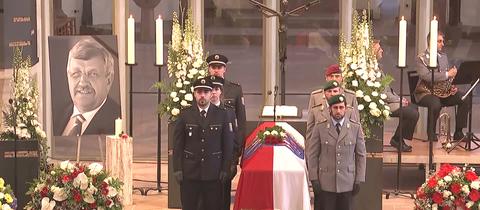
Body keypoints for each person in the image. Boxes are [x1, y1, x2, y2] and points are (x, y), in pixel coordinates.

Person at [173, 78, 234, 210]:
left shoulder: (222, 115)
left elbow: (227, 145)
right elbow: (178, 144)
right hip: (190, 173)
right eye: (199, 92)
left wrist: (225, 168)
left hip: (213, 173)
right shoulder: (185, 115)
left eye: (206, 92)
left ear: (211, 93)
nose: (202, 95)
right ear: (194, 93)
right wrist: (177, 168)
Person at [306, 94, 366, 210]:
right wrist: (314, 178)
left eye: (341, 107)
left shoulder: (355, 128)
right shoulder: (320, 128)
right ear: (330, 109)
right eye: (335, 108)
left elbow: (361, 155)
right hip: (326, 183)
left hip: (347, 182)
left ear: (346, 109)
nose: (338, 111)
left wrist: (359, 178)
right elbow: (312, 154)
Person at [54, 38, 120, 136]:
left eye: (92, 74)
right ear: (68, 76)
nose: (83, 83)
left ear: (108, 80)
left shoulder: (119, 121)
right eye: (76, 74)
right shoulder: (57, 115)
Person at [414, 31, 469, 141]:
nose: (442, 44)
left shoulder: (443, 56)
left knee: (464, 97)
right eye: (439, 41)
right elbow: (427, 76)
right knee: (435, 103)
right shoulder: (421, 58)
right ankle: (431, 133)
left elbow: (445, 78)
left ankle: (458, 132)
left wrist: (450, 87)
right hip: (425, 92)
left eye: (442, 41)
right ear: (431, 42)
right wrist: (448, 74)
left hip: (442, 92)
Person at [373, 40, 419, 152]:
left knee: (413, 107)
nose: (382, 51)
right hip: (382, 104)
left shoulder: (378, 66)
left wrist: (399, 98)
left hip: (388, 100)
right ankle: (398, 139)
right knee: (412, 113)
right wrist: (398, 101)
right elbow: (382, 94)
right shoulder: (372, 70)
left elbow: (387, 89)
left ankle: (398, 138)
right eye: (380, 49)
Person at [207, 53, 246, 181]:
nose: (216, 70)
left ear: (225, 69)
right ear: (208, 68)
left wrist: (238, 148)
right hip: (207, 147)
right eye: (213, 67)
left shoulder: (235, 89)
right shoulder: (201, 89)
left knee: (225, 187)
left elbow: (241, 121)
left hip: (228, 147)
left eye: (219, 67)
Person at [207, 75, 239, 210]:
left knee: (223, 198)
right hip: (207, 164)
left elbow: (234, 138)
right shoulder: (201, 111)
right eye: (211, 89)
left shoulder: (229, 112)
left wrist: (233, 161)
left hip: (224, 164)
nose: (214, 92)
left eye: (216, 89)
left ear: (221, 91)